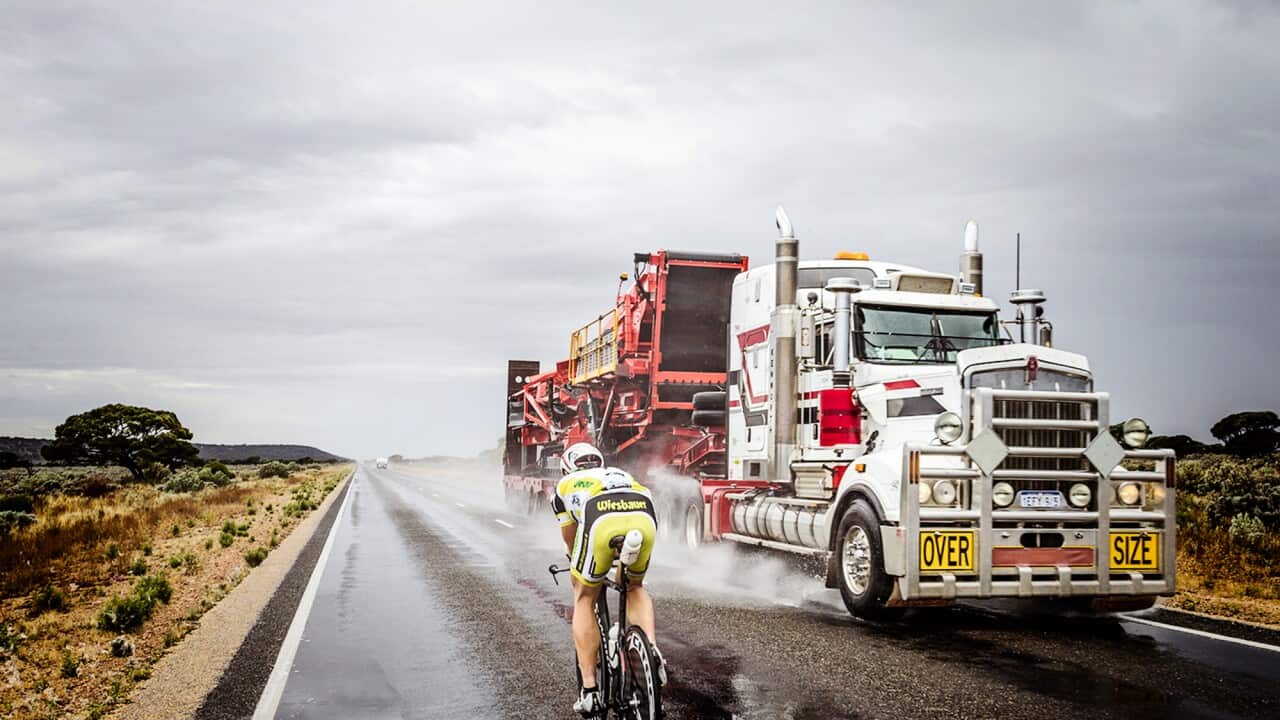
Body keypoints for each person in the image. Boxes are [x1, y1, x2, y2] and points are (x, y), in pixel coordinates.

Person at [552, 442, 666, 716]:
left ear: (566, 466)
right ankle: (650, 651)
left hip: (599, 514)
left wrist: (582, 574)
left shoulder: (564, 485)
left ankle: (590, 691)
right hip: (642, 508)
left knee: (583, 596)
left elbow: (572, 541)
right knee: (634, 586)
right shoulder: (617, 473)